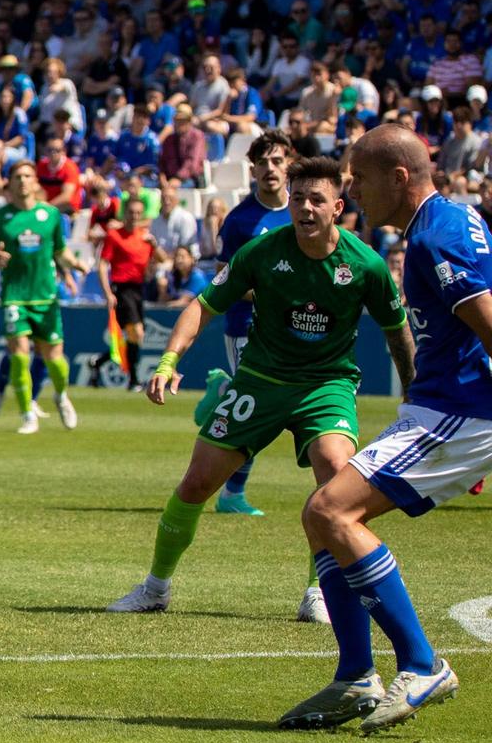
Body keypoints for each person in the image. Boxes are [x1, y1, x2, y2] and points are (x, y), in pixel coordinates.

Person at [109, 156, 414, 631]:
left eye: (316, 199)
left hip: (325, 386)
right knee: (195, 485)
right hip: (260, 381)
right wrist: (169, 361)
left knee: (335, 479)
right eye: (298, 199)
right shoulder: (262, 252)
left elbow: (398, 332)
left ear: (337, 206)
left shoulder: (366, 265)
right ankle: (155, 587)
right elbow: (202, 306)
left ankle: (318, 592)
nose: (304, 207)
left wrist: (413, 396)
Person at [296, 128, 492, 732]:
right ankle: (355, 676)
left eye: (359, 179)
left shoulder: (437, 234)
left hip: (462, 409)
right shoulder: (453, 219)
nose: (351, 191)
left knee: (333, 511)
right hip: (440, 404)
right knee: (319, 516)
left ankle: (422, 662)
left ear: (398, 178)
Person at [200, 129, 296, 516]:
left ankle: (225, 391)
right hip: (248, 328)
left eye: (277, 161)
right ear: (252, 170)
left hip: (294, 330)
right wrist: (276, 297)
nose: (270, 169)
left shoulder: (304, 209)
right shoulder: (240, 221)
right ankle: (231, 496)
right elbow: (224, 280)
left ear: (290, 164)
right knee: (258, 410)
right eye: (263, 163)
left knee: (267, 407)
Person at [0, 162, 82, 433]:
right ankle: (27, 414)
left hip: (45, 296)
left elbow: (60, 251)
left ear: (36, 182)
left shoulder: (50, 215)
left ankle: (61, 395)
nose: (22, 181)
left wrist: (76, 264)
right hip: (14, 295)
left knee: (55, 359)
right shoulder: (1, 217)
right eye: (17, 177)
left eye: (27, 176)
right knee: (20, 356)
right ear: (10, 183)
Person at [95, 204, 156, 388]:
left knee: (133, 336)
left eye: (138, 212)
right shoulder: (114, 235)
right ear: (125, 214)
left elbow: (158, 259)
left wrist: (155, 245)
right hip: (121, 288)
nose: (134, 216)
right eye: (131, 212)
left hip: (138, 289)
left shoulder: (144, 237)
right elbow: (103, 264)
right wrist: (107, 293)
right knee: (135, 332)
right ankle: (134, 380)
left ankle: (98, 362)